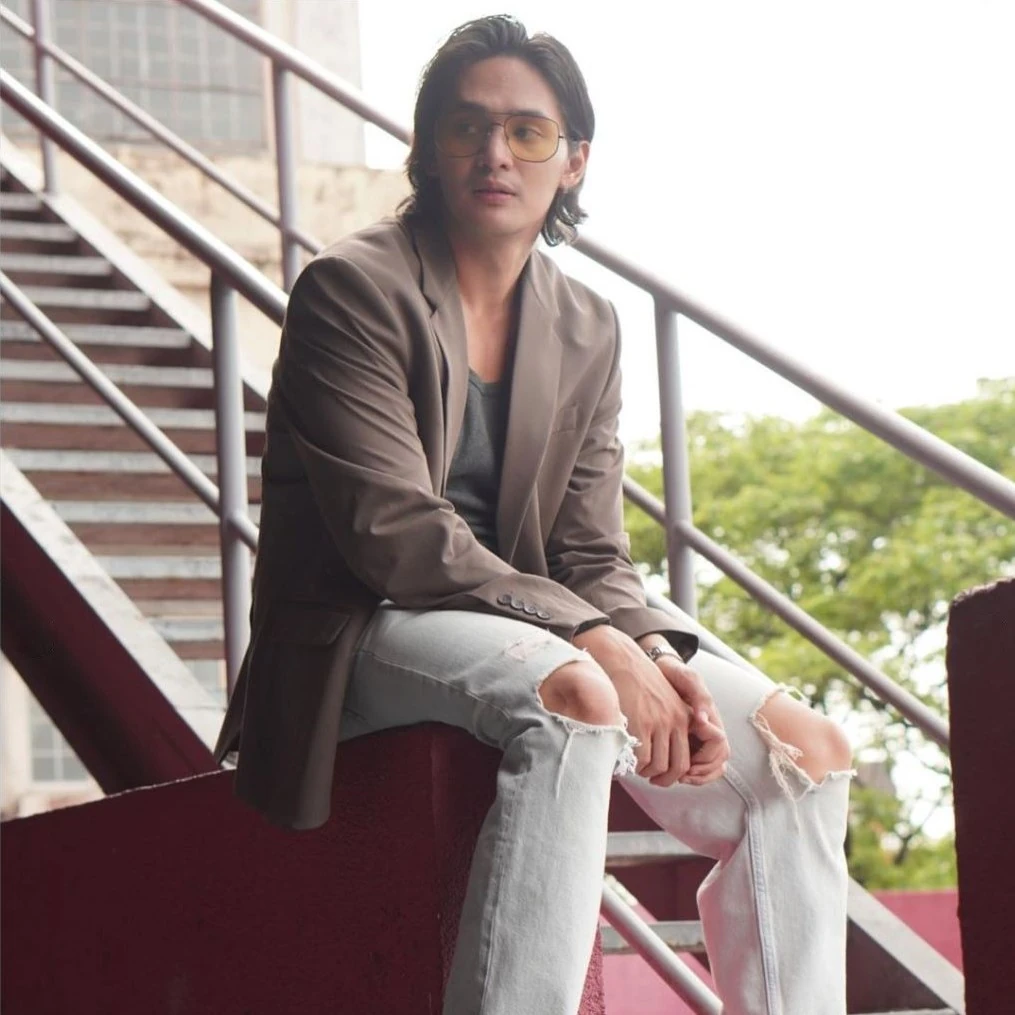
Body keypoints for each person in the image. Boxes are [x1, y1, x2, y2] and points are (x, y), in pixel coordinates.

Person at [212, 14, 854, 1015]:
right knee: (574, 700)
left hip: (530, 624)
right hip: (362, 627)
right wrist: (597, 642)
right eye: (466, 126)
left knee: (804, 755)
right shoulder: (351, 290)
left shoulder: (586, 323)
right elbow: (392, 535)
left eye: (527, 131)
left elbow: (589, 547)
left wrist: (653, 650)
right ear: (427, 146)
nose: (495, 153)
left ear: (574, 159)